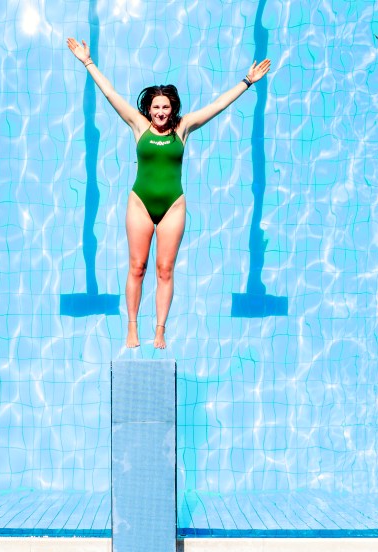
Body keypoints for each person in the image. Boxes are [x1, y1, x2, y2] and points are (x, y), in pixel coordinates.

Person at [67, 37, 271, 348]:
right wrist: (87, 61)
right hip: (140, 203)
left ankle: (160, 330)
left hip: (174, 205)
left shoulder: (184, 127)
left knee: (164, 269)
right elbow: (110, 93)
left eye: (165, 107)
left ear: (172, 107)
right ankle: (132, 327)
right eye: (156, 107)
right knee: (137, 266)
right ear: (147, 109)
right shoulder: (139, 125)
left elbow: (217, 105)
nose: (161, 112)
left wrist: (247, 81)